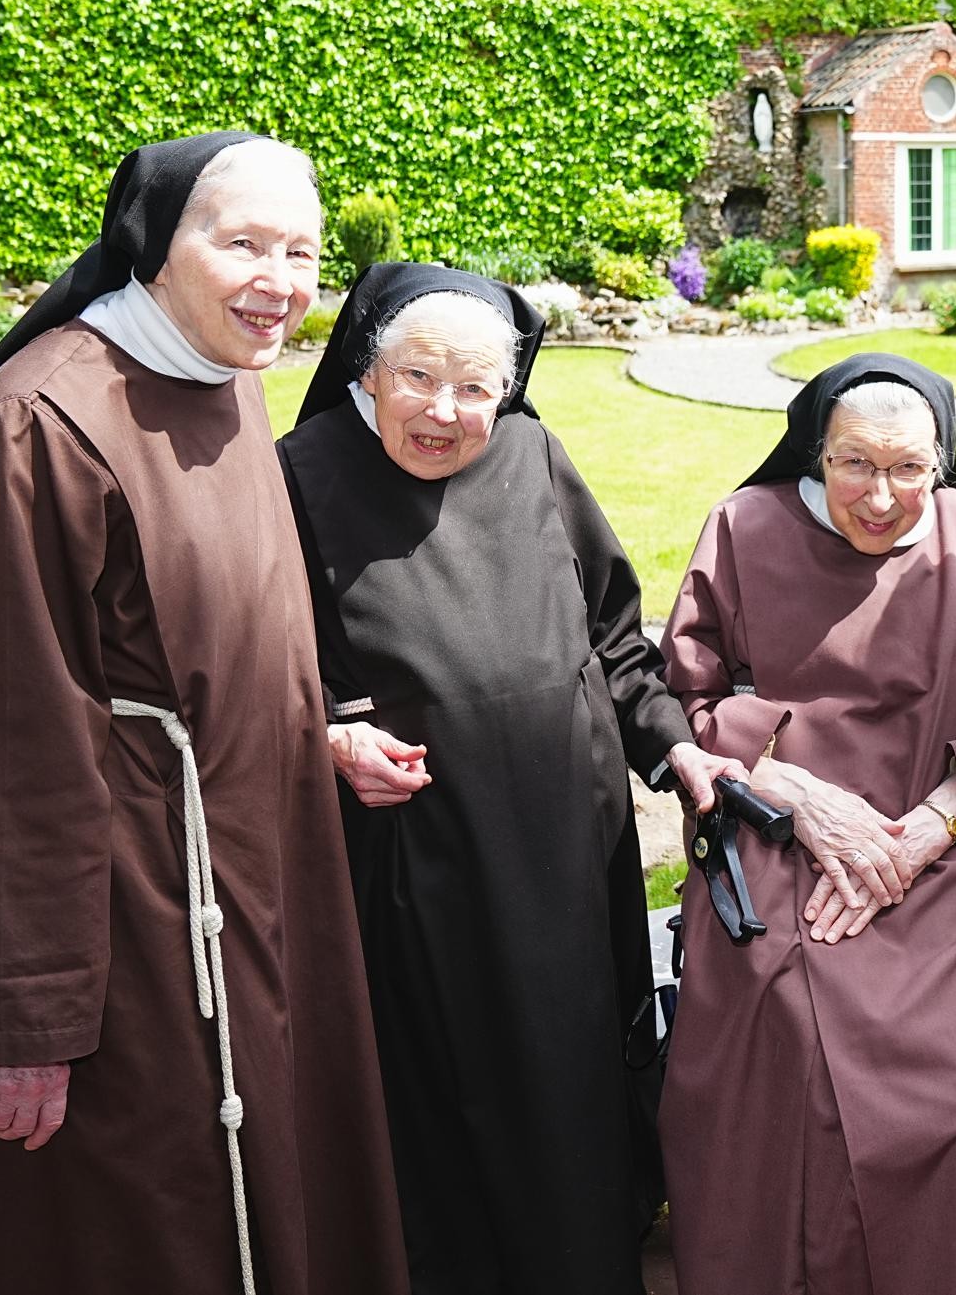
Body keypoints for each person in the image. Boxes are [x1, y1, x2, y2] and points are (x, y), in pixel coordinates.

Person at [0, 134, 407, 1294]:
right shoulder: (34, 428)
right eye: (243, 244)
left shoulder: (225, 376)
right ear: (152, 246)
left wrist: (312, 731)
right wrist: (19, 1017)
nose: (280, 279)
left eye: (302, 250)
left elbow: (205, 643)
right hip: (121, 952)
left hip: (261, 886)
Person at [276, 261, 702, 1293]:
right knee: (436, 1118)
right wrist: (327, 737)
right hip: (409, 869)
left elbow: (613, 636)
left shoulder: (534, 454)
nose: (445, 410)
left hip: (564, 858)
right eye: (418, 377)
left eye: (476, 387)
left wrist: (671, 746)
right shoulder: (297, 474)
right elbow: (255, 663)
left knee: (572, 1101)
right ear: (367, 372)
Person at [659, 354, 956, 1294]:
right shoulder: (743, 528)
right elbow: (687, 704)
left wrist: (921, 833)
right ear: (814, 453)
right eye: (856, 463)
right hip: (777, 840)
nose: (883, 496)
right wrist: (798, 797)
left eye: (910, 469)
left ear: (942, 463)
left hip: (949, 856)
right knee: (796, 1066)